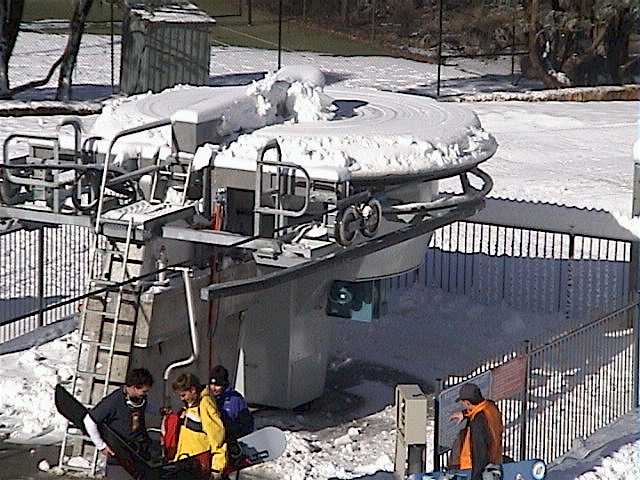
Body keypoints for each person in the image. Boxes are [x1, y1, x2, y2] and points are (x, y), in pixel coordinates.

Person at [83, 367, 154, 480]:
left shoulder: (140, 399)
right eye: (144, 391)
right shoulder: (114, 400)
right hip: (119, 458)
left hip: (137, 455)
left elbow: (143, 410)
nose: (145, 394)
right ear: (135, 387)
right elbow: (89, 421)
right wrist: (101, 445)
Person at [172, 373, 227, 478]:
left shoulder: (205, 404)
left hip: (198, 466)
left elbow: (217, 437)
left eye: (183, 395)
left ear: (192, 390)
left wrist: (216, 468)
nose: (181, 399)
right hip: (186, 463)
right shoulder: (191, 405)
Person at [449, 383, 504, 480]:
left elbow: (480, 453)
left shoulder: (478, 422)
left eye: (463, 403)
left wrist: (476, 477)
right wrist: (464, 413)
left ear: (468, 403)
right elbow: (478, 408)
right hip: (494, 460)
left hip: (471, 468)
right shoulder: (490, 407)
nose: (463, 405)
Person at [209, 365, 255, 441]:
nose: (213, 388)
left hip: (232, 440)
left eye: (217, 385)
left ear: (224, 384)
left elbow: (247, 425)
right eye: (211, 384)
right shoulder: (208, 398)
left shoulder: (236, 400)